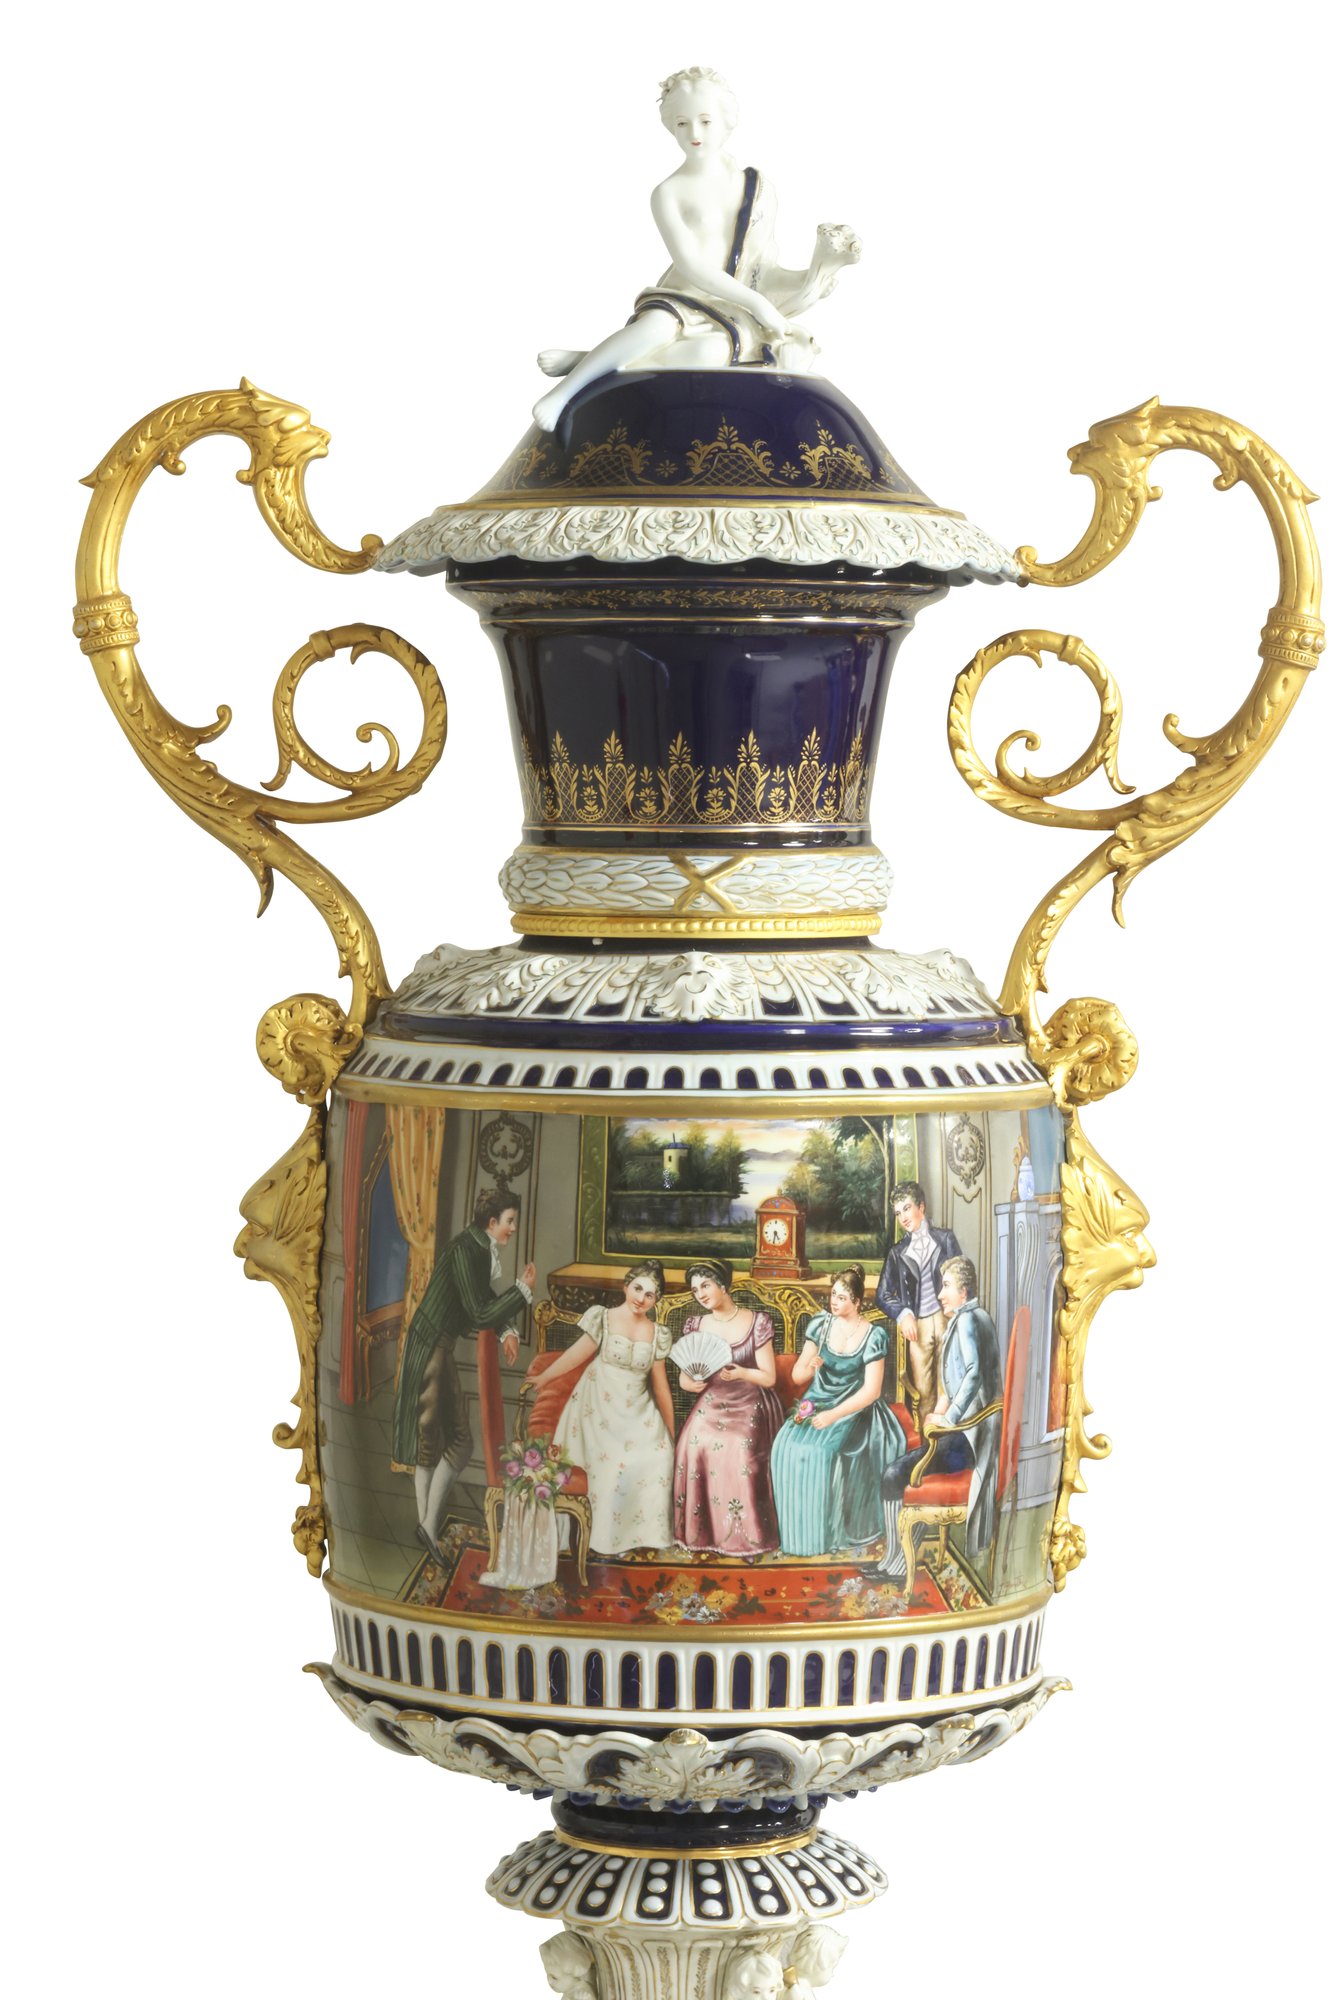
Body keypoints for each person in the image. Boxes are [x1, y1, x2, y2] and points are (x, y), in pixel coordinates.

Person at [531, 67, 860, 430]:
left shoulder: (757, 188)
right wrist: (758, 305)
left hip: (729, 310)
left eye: (705, 121)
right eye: (682, 123)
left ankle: (591, 358)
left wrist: (810, 278)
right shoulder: (668, 193)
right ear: (670, 127)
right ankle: (565, 392)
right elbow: (691, 266)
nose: (694, 133)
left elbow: (762, 269)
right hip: (682, 297)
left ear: (727, 121)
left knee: (706, 354)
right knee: (658, 330)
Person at [391, 1188, 536, 1568]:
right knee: (446, 1439)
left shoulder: (476, 1248)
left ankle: (427, 1527)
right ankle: (428, 1527)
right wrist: (521, 1291)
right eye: (510, 1221)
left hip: (437, 1345)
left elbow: (482, 1296)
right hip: (430, 1347)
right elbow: (477, 1312)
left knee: (440, 1439)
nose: (513, 1228)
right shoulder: (466, 1250)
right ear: (492, 1222)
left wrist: (507, 1330)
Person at [524, 1261, 675, 1555]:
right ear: (626, 1286)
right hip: (598, 1410)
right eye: (637, 1289)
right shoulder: (603, 1318)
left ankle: (638, 1540)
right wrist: (545, 1377)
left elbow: (661, 1387)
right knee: (614, 1465)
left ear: (656, 1300)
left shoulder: (657, 1333)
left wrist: (671, 1434)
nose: (641, 1298)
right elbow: (575, 1355)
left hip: (638, 1412)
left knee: (660, 1456)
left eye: (649, 1295)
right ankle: (601, 1542)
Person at [871, 1256, 1002, 1581]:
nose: (941, 1295)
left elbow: (973, 1374)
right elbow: (955, 1381)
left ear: (964, 1290)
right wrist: (939, 1411)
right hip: (970, 1431)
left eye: (946, 1287)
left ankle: (895, 1565)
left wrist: (948, 1418)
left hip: (968, 1438)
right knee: (901, 1470)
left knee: (893, 1474)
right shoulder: (975, 1317)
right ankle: (893, 1560)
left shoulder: (968, 1320)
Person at [770, 1266, 906, 1558]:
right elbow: (797, 1376)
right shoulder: (821, 1326)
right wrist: (811, 1367)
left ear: (857, 1302)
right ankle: (798, 1535)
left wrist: (833, 1416)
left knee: (822, 1452)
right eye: (833, 1295)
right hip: (818, 1400)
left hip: (857, 1408)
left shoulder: (873, 1335)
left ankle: (824, 1535)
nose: (834, 1301)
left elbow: (871, 1391)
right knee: (786, 1444)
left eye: (842, 1297)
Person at [672, 1258, 783, 1555]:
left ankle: (745, 1540)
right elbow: (684, 1375)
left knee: (738, 1447)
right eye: (695, 1290)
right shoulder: (696, 1325)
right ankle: (703, 1536)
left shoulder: (757, 1322)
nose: (701, 1294)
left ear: (723, 1285)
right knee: (693, 1441)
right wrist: (689, 1383)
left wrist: (742, 1373)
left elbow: (769, 1377)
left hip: (749, 1399)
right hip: (712, 1400)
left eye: (706, 1286)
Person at [874, 1180, 963, 1434]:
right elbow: (882, 1294)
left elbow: (962, 1277)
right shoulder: (897, 1253)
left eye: (906, 1208)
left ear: (921, 1207)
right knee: (924, 1393)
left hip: (947, 1320)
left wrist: (956, 1312)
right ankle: (928, 1448)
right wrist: (904, 1314)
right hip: (919, 1327)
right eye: (897, 1213)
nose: (902, 1217)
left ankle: (948, 1444)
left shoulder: (945, 1239)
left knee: (949, 1386)